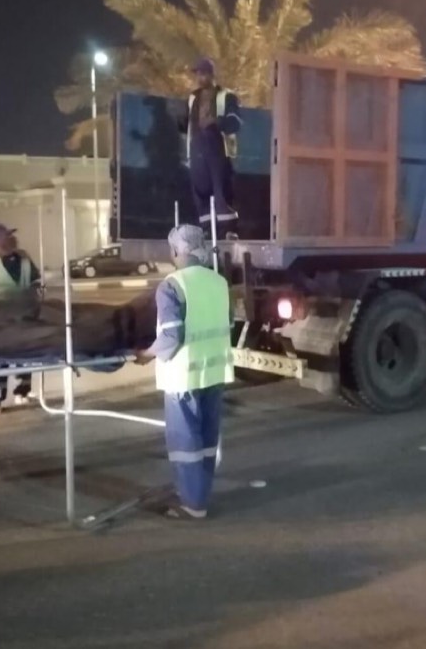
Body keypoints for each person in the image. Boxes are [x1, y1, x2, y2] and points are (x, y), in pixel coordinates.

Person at [135, 225, 233, 519]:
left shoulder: (172, 286)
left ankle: (192, 505)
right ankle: (199, 494)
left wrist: (145, 355)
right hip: (214, 372)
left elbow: (171, 336)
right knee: (206, 440)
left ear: (177, 251)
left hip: (183, 377)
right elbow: (227, 323)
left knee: (185, 442)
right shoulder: (219, 282)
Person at [0, 223, 43, 415]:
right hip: (1, 322)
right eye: (6, 236)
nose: (12, 239)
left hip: (25, 317)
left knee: (25, 358)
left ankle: (22, 392)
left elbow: (36, 282)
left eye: (11, 236)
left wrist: (35, 303)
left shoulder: (25, 259)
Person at [179, 58, 242, 239]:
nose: (200, 77)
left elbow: (236, 121)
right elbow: (185, 125)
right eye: (198, 74)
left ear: (211, 75)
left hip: (218, 145)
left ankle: (228, 230)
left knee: (221, 188)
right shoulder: (192, 98)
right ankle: (207, 229)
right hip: (197, 146)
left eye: (203, 74)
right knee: (201, 189)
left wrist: (219, 123)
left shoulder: (226, 96)